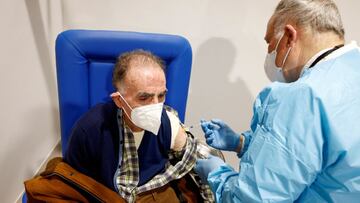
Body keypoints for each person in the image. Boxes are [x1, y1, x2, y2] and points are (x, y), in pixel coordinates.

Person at [194, 0, 360, 202]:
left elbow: (254, 199)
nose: (269, 52)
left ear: (289, 36)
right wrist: (243, 143)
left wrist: (218, 175)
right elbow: (323, 158)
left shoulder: (304, 96)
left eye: (269, 42)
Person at [64, 50, 214, 202]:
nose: (156, 106)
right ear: (119, 100)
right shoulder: (90, 129)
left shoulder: (169, 123)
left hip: (155, 190)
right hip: (107, 195)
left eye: (161, 95)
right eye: (144, 97)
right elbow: (71, 182)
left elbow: (198, 163)